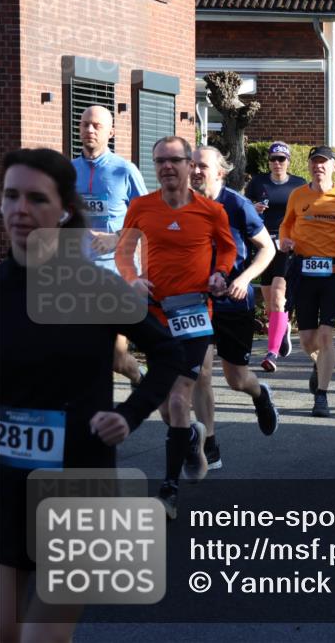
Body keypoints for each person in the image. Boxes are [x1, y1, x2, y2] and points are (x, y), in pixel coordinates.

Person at [0, 148, 182, 643]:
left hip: (80, 481)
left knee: (42, 638)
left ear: (64, 211)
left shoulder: (95, 289)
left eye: (37, 198)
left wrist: (130, 413)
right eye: (11, 196)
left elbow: (168, 353)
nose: (20, 209)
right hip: (5, 485)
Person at [115, 136, 237, 518]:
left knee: (181, 399)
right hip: (155, 316)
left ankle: (169, 489)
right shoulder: (141, 206)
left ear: (189, 165)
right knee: (167, 407)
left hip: (194, 315)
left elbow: (228, 248)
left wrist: (220, 273)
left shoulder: (211, 210)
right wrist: (132, 277)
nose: (167, 167)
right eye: (160, 161)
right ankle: (190, 437)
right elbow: (124, 250)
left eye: (175, 160)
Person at [190, 146, 280, 471]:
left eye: (202, 166)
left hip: (233, 302)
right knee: (200, 372)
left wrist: (244, 279)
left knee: (236, 379)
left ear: (220, 172)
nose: (195, 171)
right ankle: (210, 444)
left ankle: (260, 394)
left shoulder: (237, 205)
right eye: (192, 165)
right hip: (196, 301)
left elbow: (267, 249)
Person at [279, 146, 335, 417]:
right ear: (309, 166)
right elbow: (286, 224)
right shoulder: (298, 195)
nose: (318, 166)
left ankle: (322, 396)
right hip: (303, 271)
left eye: (324, 162)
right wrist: (285, 241)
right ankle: (319, 363)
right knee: (306, 340)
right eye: (314, 162)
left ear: (333, 166)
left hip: (334, 272)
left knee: (326, 335)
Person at [71, 105, 149, 388]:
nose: (89, 130)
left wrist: (116, 238)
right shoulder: (68, 171)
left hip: (118, 274)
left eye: (97, 126)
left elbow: (148, 218)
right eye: (85, 124)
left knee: (115, 357)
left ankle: (139, 377)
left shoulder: (124, 170)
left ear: (111, 132)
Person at [245, 141, 307, 373]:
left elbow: (305, 213)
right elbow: (245, 208)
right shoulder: (258, 182)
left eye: (281, 159)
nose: (277, 163)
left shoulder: (298, 184)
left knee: (278, 296)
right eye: (273, 159)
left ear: (288, 161)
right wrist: (253, 208)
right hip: (263, 244)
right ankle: (283, 327)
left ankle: (271, 353)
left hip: (286, 245)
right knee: (270, 298)